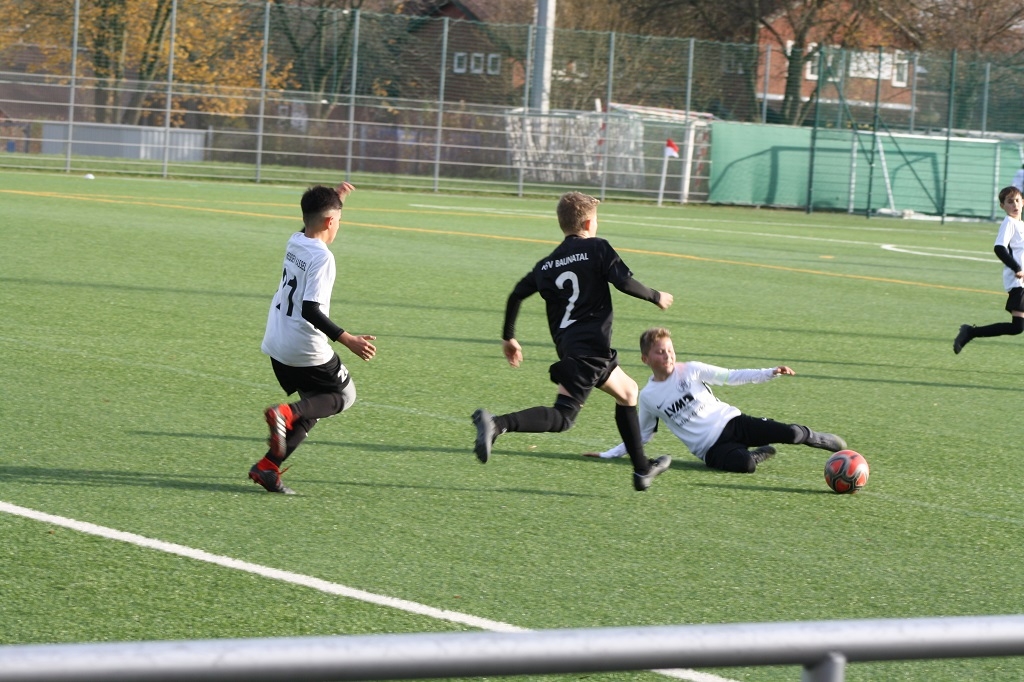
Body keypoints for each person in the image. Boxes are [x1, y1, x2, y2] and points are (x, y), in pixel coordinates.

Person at [471, 191, 674, 491]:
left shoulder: (546, 264)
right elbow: (623, 281)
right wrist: (656, 296)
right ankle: (498, 424)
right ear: (589, 223)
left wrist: (509, 337)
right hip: (589, 349)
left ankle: (642, 470)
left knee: (628, 391)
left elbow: (516, 294)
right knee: (564, 416)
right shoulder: (598, 248)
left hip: (576, 348)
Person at [249, 182, 377, 494]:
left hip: (276, 342)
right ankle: (285, 413)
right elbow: (310, 309)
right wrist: (348, 339)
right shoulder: (323, 258)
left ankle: (268, 467)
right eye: (339, 220)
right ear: (330, 221)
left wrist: (336, 200)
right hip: (303, 348)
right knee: (344, 396)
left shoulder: (296, 240)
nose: (339, 226)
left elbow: (312, 223)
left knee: (314, 406)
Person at [584, 327, 847, 474]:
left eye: (670, 350)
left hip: (734, 423)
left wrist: (770, 372)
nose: (668, 356)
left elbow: (731, 376)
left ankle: (818, 438)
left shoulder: (692, 370)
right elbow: (640, 435)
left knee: (791, 433)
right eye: (660, 352)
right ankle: (754, 455)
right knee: (745, 465)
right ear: (645, 359)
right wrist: (608, 454)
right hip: (710, 449)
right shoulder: (649, 397)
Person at [954, 185, 1024, 354]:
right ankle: (970, 332)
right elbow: (999, 248)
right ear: (1002, 206)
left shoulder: (1020, 224)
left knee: (1017, 327)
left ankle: (970, 332)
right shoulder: (1009, 223)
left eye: (1017, 200)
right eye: (1010, 202)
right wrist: (1016, 268)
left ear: (1023, 202)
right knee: (1017, 327)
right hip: (1019, 282)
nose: (1014, 205)